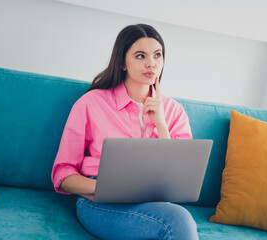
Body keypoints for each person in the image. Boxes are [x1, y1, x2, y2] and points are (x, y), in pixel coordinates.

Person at [51, 24, 199, 240]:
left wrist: (161, 125)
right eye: (141, 56)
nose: (151, 63)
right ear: (122, 62)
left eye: (158, 55)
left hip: (153, 203)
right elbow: (62, 173)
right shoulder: (90, 103)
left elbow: (178, 180)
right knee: (178, 221)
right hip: (98, 202)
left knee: (176, 217)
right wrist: (108, 189)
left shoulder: (174, 111)